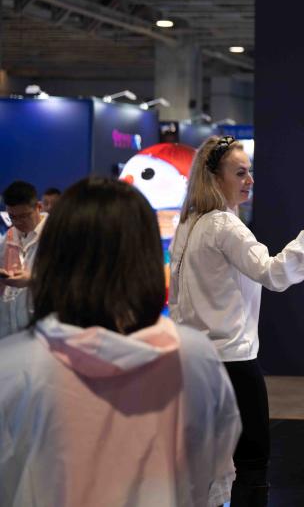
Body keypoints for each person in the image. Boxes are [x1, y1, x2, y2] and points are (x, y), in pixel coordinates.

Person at [0, 177, 241, 506]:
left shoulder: (14, 367)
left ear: (53, 257)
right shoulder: (194, 357)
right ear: (146, 255)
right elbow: (212, 473)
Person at [169, 135, 304, 506]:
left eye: (250, 171)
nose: (250, 180)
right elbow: (275, 274)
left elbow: (176, 299)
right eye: (240, 173)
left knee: (204, 464)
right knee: (251, 463)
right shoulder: (225, 226)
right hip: (233, 365)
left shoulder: (189, 225)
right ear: (215, 178)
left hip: (193, 363)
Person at [0, 181, 46, 338]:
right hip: (8, 329)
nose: (18, 222)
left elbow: (69, 280)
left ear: (38, 207)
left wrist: (33, 280)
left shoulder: (56, 235)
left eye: (24, 216)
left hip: (42, 331)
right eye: (12, 217)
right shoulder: (9, 236)